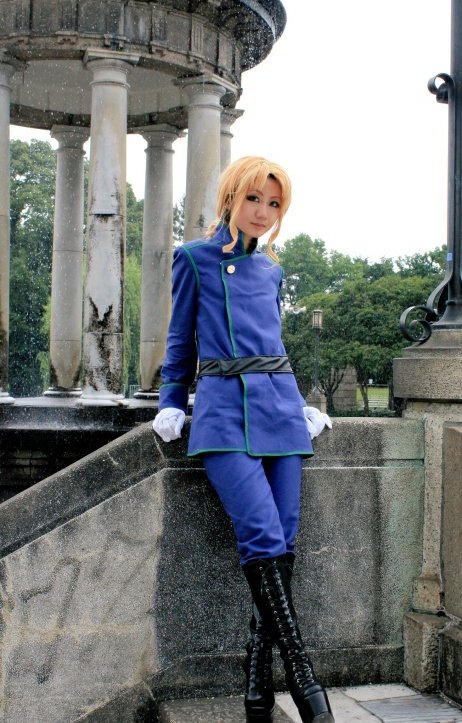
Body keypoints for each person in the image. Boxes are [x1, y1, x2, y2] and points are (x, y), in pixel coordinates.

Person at [152, 156, 334, 723]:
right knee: (261, 534)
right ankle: (304, 679)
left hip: (280, 410)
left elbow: (273, 342)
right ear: (231, 197)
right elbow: (180, 339)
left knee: (284, 541)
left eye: (274, 204)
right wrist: (169, 400)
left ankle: (257, 682)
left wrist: (300, 403)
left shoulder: (271, 271)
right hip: (224, 412)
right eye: (254, 199)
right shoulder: (194, 259)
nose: (262, 212)